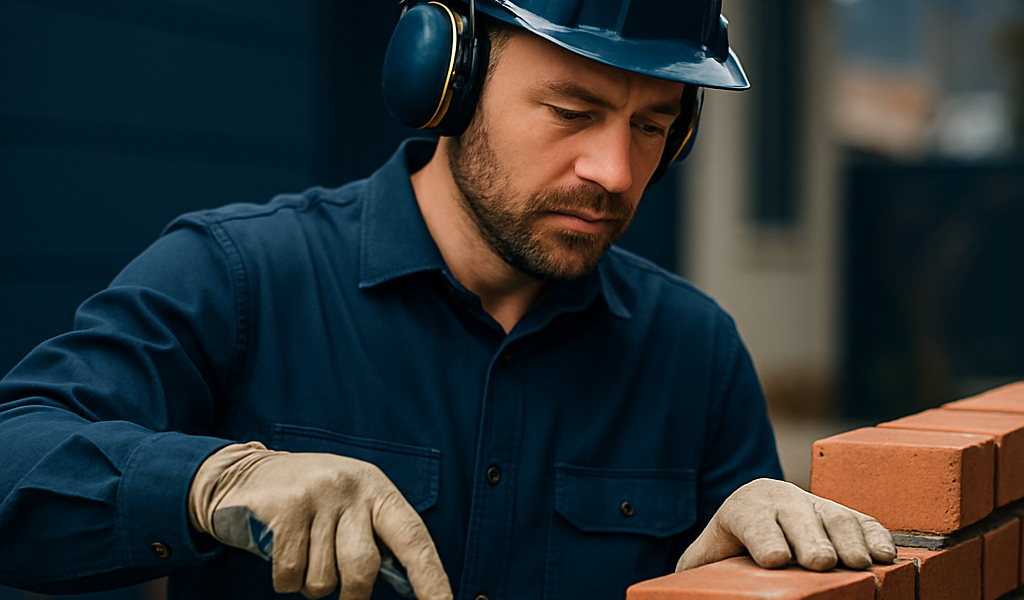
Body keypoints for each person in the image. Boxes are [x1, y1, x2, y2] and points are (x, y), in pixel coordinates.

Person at [0, 1, 895, 599]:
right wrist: (213, 480)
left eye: (654, 125)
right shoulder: (238, 275)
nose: (615, 174)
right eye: (571, 111)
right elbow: (16, 456)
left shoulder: (695, 353)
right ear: (445, 81)